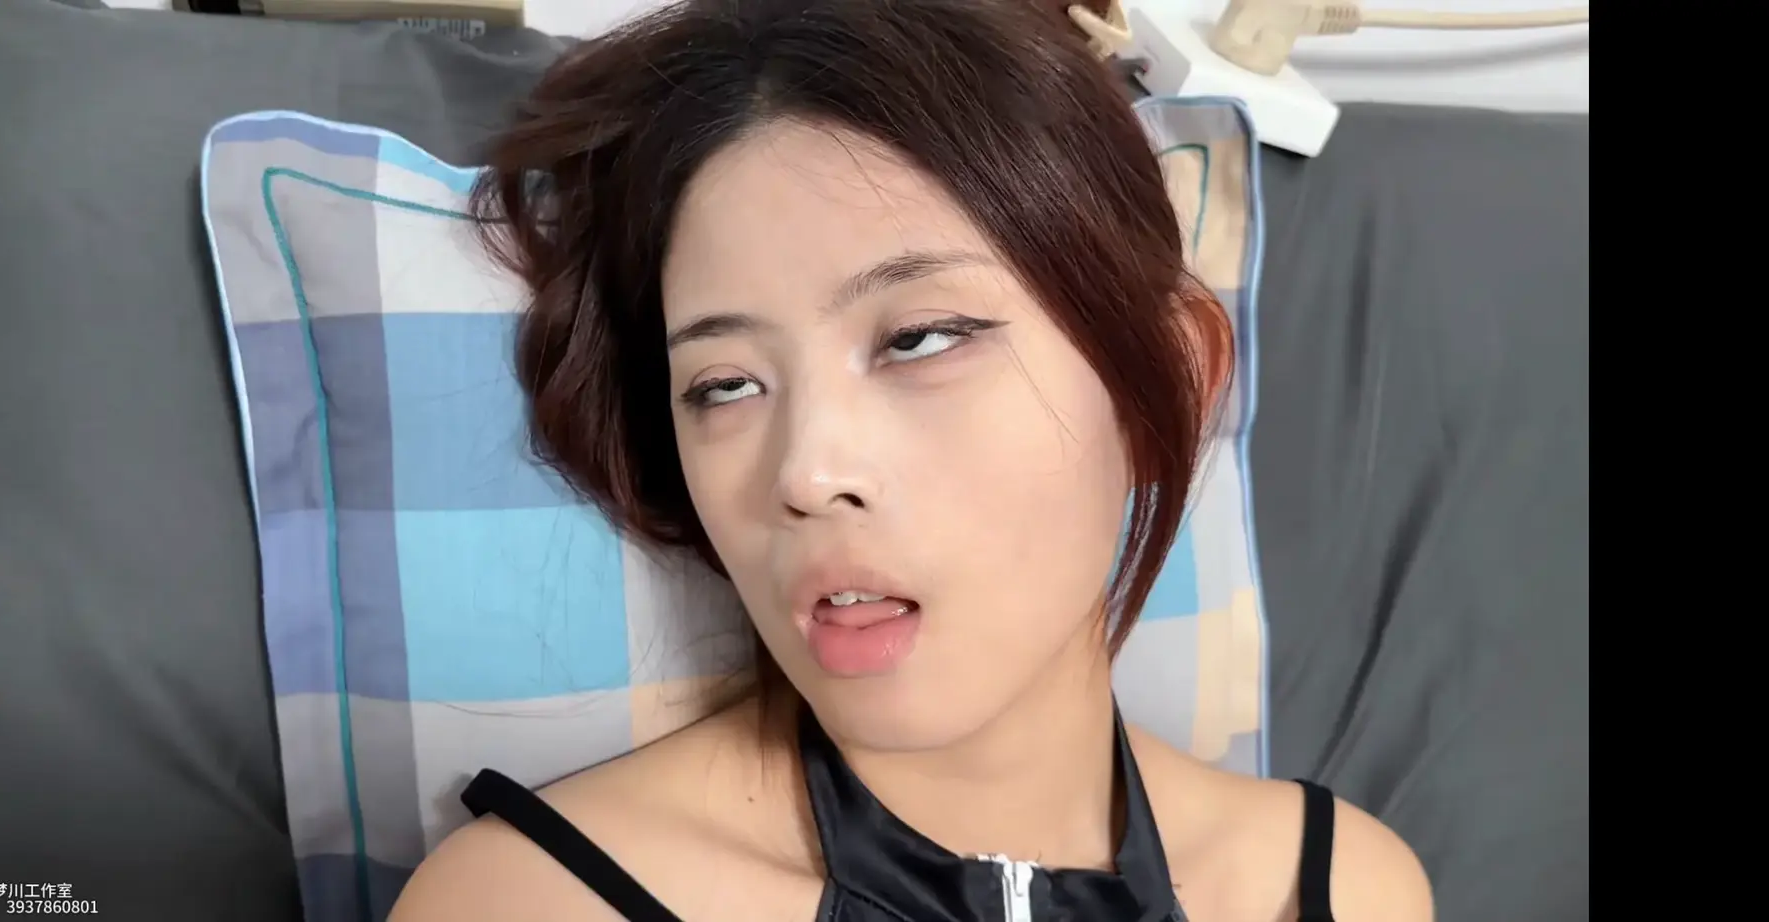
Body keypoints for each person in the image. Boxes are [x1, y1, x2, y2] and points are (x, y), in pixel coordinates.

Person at [393, 1, 1434, 920]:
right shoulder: (531, 901)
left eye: (920, 339)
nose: (806, 474)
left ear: (1173, 372)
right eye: (726, 386)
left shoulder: (1343, 888)